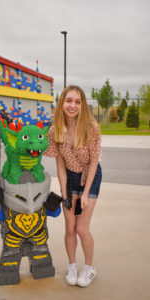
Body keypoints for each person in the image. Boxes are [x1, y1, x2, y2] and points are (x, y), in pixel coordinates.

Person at [44, 85, 102, 287]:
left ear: (82, 105)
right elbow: (60, 163)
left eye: (77, 102)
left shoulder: (91, 127)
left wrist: (85, 194)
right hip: (69, 178)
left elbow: (94, 161)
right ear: (62, 103)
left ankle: (89, 267)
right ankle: (72, 265)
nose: (72, 105)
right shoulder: (55, 130)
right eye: (69, 100)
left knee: (82, 228)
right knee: (70, 228)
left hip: (90, 177)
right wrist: (65, 192)